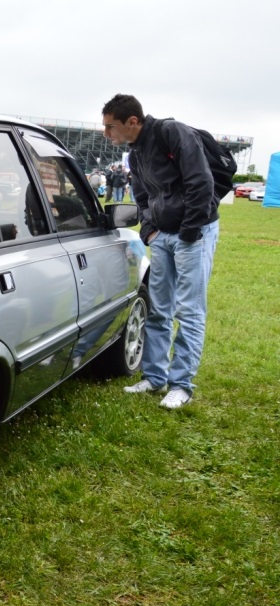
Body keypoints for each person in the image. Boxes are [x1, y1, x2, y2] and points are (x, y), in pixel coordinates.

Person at [101, 93, 220, 409]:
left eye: (110, 126)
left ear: (132, 121)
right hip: (162, 236)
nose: (106, 133)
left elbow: (201, 183)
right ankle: (155, 377)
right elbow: (142, 195)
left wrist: (189, 231)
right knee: (159, 308)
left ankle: (181, 385)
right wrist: (149, 229)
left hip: (193, 235)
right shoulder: (135, 152)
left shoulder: (172, 133)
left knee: (189, 311)